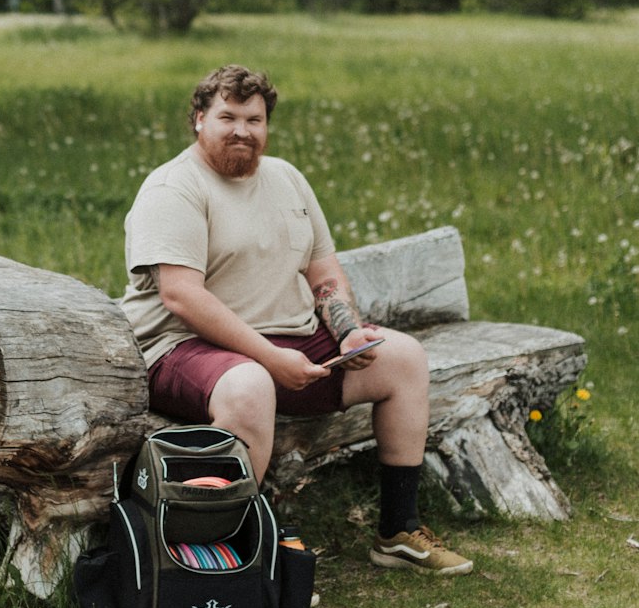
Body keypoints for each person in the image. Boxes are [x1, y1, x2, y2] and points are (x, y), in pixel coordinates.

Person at [120, 63, 473, 575]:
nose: (243, 130)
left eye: (255, 119)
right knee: (250, 386)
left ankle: (398, 531)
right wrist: (268, 359)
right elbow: (181, 297)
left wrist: (349, 331)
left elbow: (323, 271)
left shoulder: (286, 179)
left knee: (403, 359)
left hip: (286, 345)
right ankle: (232, 554)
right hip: (181, 348)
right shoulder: (172, 189)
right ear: (198, 119)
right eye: (228, 117)